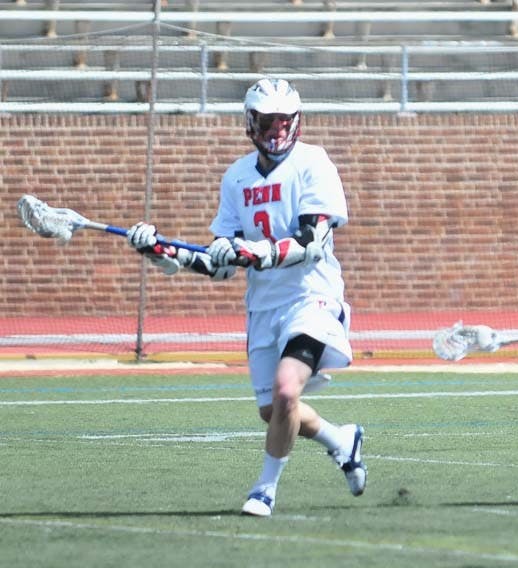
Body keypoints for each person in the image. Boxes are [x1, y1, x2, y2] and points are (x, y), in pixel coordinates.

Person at [125, 77, 367, 517]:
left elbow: (313, 241)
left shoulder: (314, 163)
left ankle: (264, 490)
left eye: (284, 121)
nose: (276, 130)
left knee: (286, 391)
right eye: (267, 121)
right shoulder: (236, 178)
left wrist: (261, 250)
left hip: (311, 296)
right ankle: (341, 439)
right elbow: (220, 263)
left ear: (296, 122)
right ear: (250, 123)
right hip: (263, 307)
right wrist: (163, 251)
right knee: (274, 410)